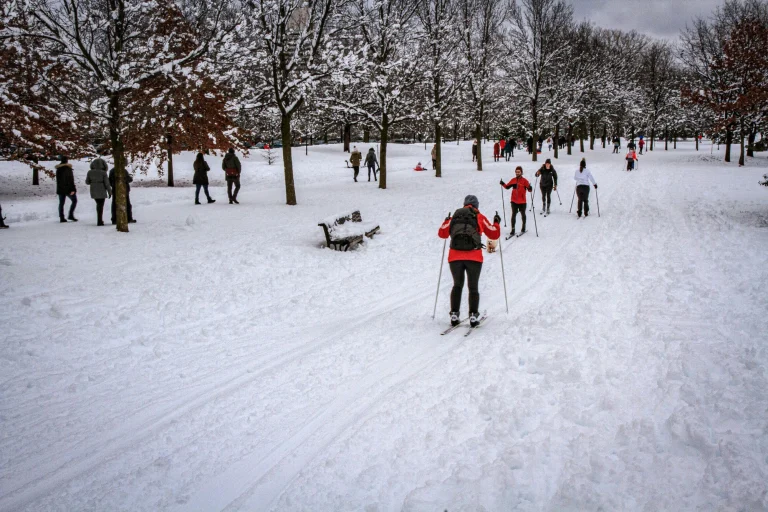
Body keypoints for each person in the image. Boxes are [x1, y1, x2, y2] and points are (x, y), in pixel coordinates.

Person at [437, 194, 501, 327]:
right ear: (476, 205)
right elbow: (494, 233)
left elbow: (442, 233)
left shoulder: (455, 216)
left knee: (457, 285)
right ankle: (473, 315)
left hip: (455, 256)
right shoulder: (479, 216)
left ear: (464, 204)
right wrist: (496, 222)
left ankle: (454, 314)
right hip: (474, 257)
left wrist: (446, 221)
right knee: (473, 287)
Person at [500, 166, 532, 236]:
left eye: (519, 172)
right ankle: (513, 230)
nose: (517, 173)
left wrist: (530, 188)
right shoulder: (513, 180)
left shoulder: (525, 181)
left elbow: (530, 190)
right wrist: (502, 183)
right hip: (514, 201)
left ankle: (523, 228)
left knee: (523, 214)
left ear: (521, 172)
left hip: (522, 202)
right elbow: (507, 187)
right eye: (516, 172)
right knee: (513, 215)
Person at [85, 158, 112, 226]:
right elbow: (107, 183)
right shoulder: (103, 172)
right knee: (101, 205)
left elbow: (87, 182)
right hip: (101, 189)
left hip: (93, 189)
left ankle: (99, 219)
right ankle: (99, 220)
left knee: (98, 204)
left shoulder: (90, 172)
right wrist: (110, 192)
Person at [55, 156, 77, 223]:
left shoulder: (58, 169)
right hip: (68, 189)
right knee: (74, 201)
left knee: (61, 203)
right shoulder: (68, 169)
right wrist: (73, 189)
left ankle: (61, 217)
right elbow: (70, 180)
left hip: (60, 188)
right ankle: (70, 214)